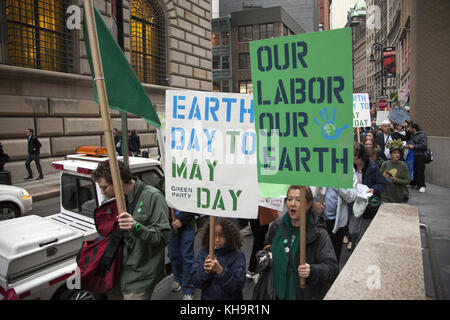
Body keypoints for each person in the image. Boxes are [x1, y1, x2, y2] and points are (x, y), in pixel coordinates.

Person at [91, 160, 172, 300]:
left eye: (104, 187)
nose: (102, 192)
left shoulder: (153, 197)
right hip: (115, 275)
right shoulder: (111, 201)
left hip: (139, 278)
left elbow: (163, 236)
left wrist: (137, 227)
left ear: (119, 181)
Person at [263, 186, 338, 300]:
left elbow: (331, 268)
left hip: (303, 294)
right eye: (289, 199)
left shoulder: (318, 233)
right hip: (275, 293)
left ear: (308, 205)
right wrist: (268, 256)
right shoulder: (277, 226)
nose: (292, 204)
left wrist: (312, 271)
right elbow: (267, 246)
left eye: (298, 200)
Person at [191, 217, 246, 300]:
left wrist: (220, 271)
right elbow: (196, 282)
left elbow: (237, 286)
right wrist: (205, 272)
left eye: (222, 236)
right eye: (214, 235)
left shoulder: (237, 256)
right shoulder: (204, 253)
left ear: (230, 236)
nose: (217, 240)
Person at [348, 143, 386, 249]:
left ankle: (360, 247)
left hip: (367, 203)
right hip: (354, 202)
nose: (354, 162)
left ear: (362, 157)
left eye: (357, 159)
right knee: (352, 229)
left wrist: (374, 190)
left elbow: (382, 184)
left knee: (365, 230)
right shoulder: (350, 166)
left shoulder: (373, 167)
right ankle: (354, 241)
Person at [316, 174, 357, 264]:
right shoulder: (317, 164)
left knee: (333, 257)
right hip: (316, 221)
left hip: (336, 225)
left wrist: (337, 183)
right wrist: (313, 206)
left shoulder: (348, 170)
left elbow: (351, 196)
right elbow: (305, 190)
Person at [168, 208, 196, 300]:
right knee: (173, 254)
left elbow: (194, 203)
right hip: (170, 225)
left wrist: (182, 219)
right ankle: (178, 278)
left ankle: (188, 289)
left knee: (187, 256)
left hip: (188, 224)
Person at [406, 122, 428, 193]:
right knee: (414, 168)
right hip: (413, 155)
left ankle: (422, 185)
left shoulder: (422, 135)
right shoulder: (412, 135)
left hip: (420, 155)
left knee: (420, 170)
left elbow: (424, 145)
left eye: (410, 128)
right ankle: (414, 183)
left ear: (413, 128)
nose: (409, 129)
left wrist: (414, 146)